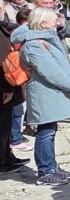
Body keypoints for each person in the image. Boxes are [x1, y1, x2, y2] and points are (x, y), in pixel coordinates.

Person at [13, 7, 70, 185]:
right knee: (45, 132)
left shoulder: (46, 38)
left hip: (52, 92)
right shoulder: (34, 44)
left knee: (51, 130)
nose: (57, 22)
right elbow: (51, 71)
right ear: (43, 23)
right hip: (44, 92)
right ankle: (45, 172)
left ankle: (52, 166)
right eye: (53, 20)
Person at [0, 16, 30, 174]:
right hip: (4, 87)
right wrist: (7, 89)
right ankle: (2, 162)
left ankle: (7, 156)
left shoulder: (4, 27)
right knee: (2, 127)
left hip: (9, 84)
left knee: (6, 126)